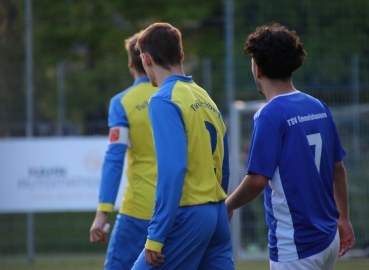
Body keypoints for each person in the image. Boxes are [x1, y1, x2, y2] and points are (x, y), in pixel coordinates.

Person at [225, 23, 355, 270]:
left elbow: (257, 181)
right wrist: (345, 218)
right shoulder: (318, 106)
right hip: (328, 238)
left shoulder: (269, 115)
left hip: (297, 246)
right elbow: (339, 170)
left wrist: (227, 207)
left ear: (258, 68)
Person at [132, 22, 234, 270]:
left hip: (190, 214)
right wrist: (219, 202)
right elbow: (224, 161)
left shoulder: (164, 99)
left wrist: (156, 235)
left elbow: (173, 170)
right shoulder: (204, 96)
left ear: (145, 60)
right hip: (216, 212)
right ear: (182, 55)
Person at [89, 31, 158, 270]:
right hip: (181, 208)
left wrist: (103, 211)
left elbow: (114, 159)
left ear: (131, 63)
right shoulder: (181, 96)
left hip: (138, 211)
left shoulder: (122, 102)